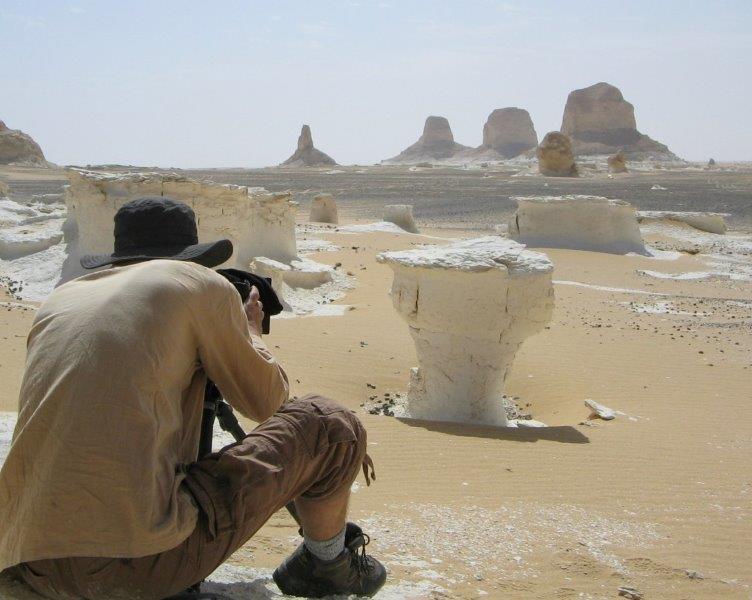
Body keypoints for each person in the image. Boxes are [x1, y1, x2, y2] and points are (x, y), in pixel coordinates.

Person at [0, 197, 386, 599]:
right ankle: (327, 566)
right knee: (330, 423)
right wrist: (249, 332)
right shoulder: (199, 283)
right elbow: (271, 403)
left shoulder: (60, 300)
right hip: (129, 566)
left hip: (25, 561)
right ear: (190, 256)